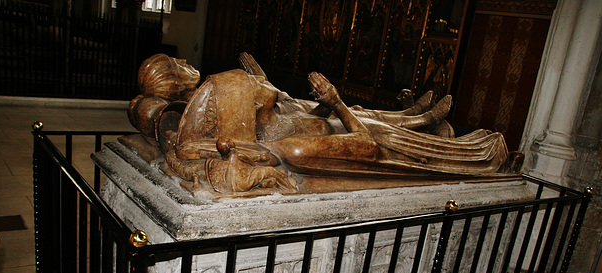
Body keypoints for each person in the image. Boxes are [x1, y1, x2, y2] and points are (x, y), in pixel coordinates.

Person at [165, 53, 519, 194]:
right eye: (256, 84)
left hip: (350, 129)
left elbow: (300, 115)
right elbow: (365, 145)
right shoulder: (292, 149)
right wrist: (334, 102)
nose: (263, 83)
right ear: (255, 106)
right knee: (374, 121)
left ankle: (423, 119)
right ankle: (461, 143)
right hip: (377, 142)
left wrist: (329, 107)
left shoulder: (273, 128)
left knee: (364, 112)